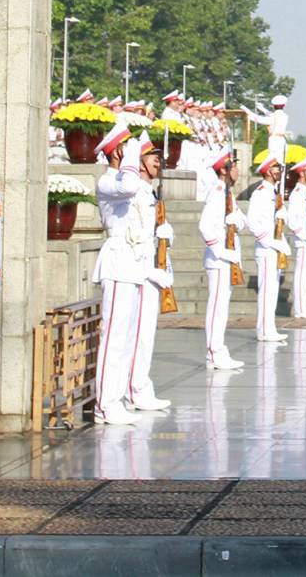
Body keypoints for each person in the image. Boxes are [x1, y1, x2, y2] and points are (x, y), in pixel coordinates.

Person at [91, 125, 173, 425]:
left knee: (126, 340)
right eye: (127, 148)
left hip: (135, 264)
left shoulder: (132, 181)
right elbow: (127, 187)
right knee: (113, 339)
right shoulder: (109, 181)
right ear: (116, 153)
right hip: (118, 263)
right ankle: (105, 404)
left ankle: (121, 396)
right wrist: (132, 156)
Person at [198, 150, 247, 369]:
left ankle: (219, 349)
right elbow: (205, 227)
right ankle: (213, 352)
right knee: (216, 307)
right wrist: (220, 252)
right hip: (219, 260)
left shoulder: (228, 193)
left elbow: (242, 222)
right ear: (223, 170)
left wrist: (238, 219)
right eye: (233, 166)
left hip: (228, 258)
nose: (237, 170)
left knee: (222, 308)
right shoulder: (217, 192)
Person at [248, 152, 290, 343]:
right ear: (267, 171)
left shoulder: (274, 193)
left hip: (274, 247)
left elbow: (278, 222)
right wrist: (272, 242)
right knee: (266, 291)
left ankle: (269, 327)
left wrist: (282, 214)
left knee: (272, 290)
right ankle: (264, 330)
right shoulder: (260, 193)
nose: (279, 171)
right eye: (275, 168)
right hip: (265, 249)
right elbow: (253, 222)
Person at [283, 156, 306, 318]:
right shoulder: (298, 193)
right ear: (302, 173)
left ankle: (303, 306)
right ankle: (300, 308)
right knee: (301, 275)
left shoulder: (304, 191)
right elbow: (292, 219)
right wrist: (304, 234)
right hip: (302, 238)